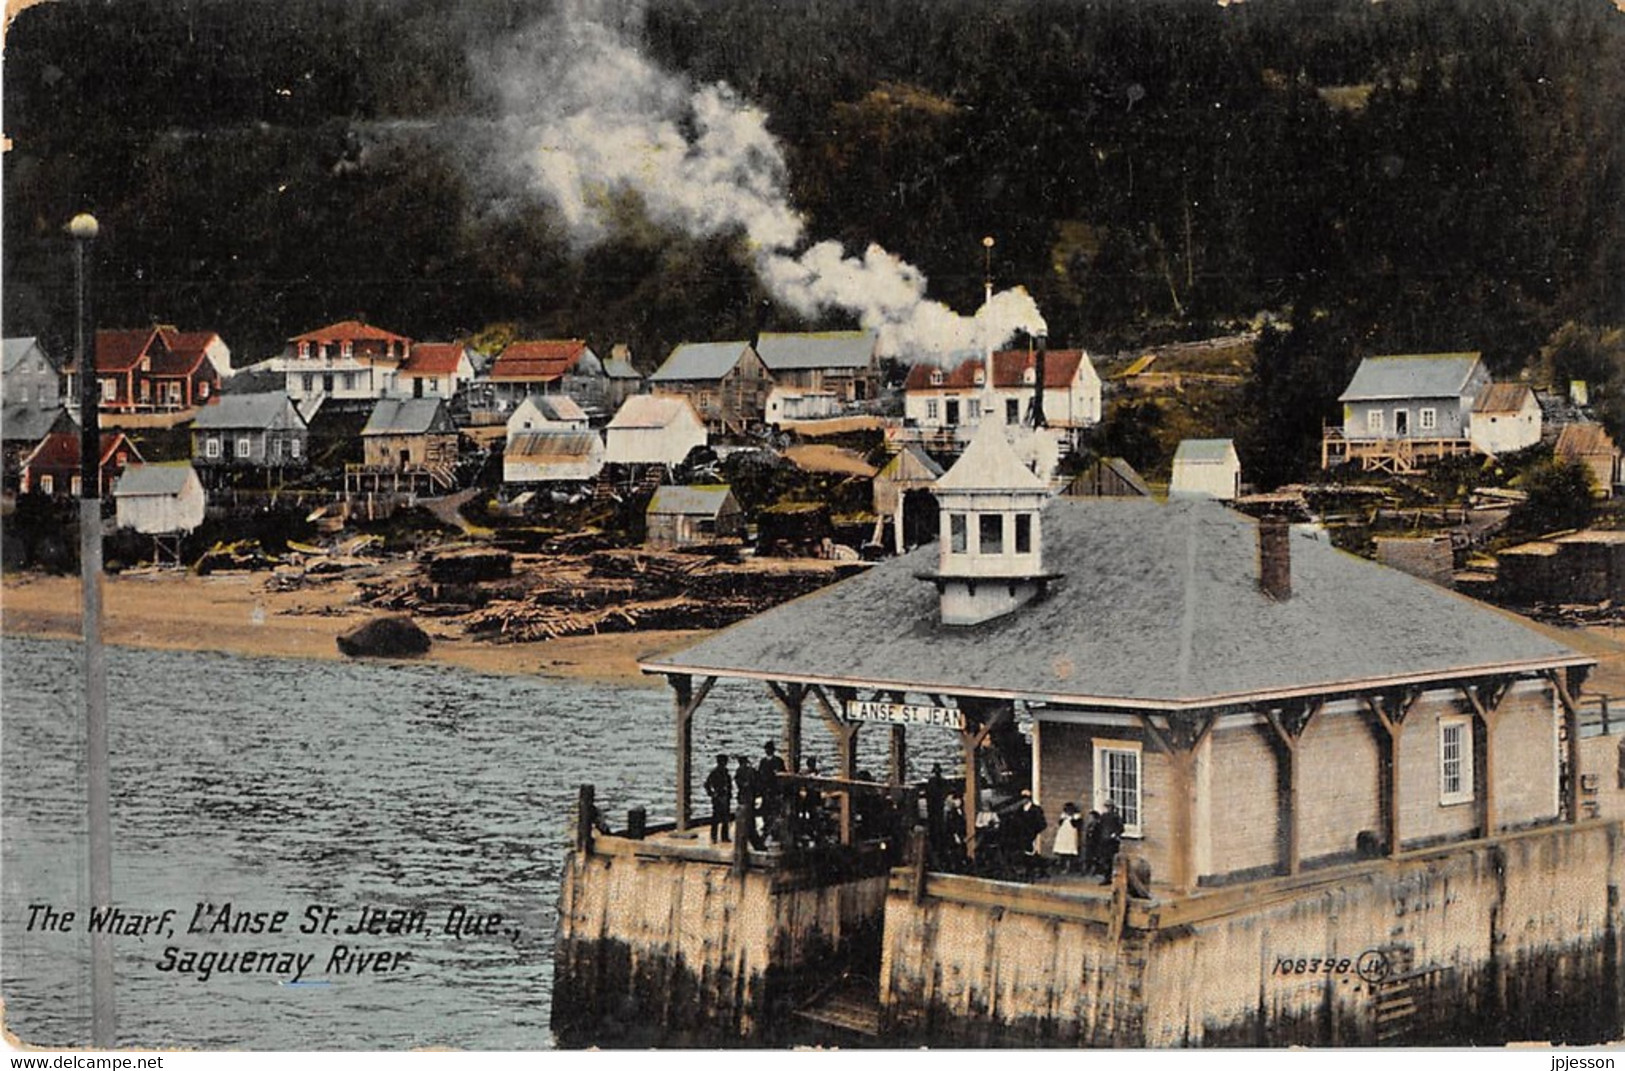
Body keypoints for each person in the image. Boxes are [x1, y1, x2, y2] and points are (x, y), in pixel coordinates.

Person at [1012, 789, 1047, 880]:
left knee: (1033, 853)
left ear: (1029, 799)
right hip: (1023, 834)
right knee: (1025, 853)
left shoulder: (1036, 809)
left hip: (1033, 834)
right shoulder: (1019, 810)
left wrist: (1034, 831)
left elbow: (1042, 823)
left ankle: (1039, 869)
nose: (1023, 800)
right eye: (1021, 799)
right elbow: (1015, 821)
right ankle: (1028, 871)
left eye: (1025, 798)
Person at [757, 740, 787, 843]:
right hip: (766, 791)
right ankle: (766, 827)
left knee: (775, 810)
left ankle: (774, 830)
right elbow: (760, 776)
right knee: (765, 810)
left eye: (769, 749)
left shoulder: (778, 761)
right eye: (766, 749)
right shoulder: (763, 762)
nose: (767, 751)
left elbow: (783, 775)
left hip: (775, 790)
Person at [735, 755, 764, 849]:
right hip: (748, 798)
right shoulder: (749, 770)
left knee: (748, 820)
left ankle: (753, 841)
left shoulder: (742, 771)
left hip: (746, 798)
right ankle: (755, 842)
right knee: (749, 821)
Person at [704, 753, 733, 844]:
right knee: (716, 818)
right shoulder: (715, 772)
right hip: (718, 797)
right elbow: (707, 784)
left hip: (725, 797)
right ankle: (714, 837)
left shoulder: (726, 772)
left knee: (725, 818)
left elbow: (729, 785)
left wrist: (729, 794)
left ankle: (724, 836)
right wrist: (712, 794)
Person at [1096, 799, 1125, 883]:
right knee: (1104, 859)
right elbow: (1099, 828)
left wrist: (1115, 834)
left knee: (1112, 859)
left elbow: (1121, 828)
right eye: (1107, 807)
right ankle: (1106, 877)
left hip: (1112, 842)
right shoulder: (1103, 816)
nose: (1108, 808)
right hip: (1104, 841)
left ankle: (1113, 877)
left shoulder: (1116, 817)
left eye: (1110, 807)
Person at [1053, 802, 1082, 874]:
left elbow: (1075, 825)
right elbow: (1060, 823)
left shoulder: (1077, 816)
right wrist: (1064, 818)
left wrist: (1071, 817)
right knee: (1062, 851)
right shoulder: (1063, 815)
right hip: (1063, 834)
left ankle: (1069, 868)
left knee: (1070, 852)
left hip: (1071, 835)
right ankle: (1061, 867)